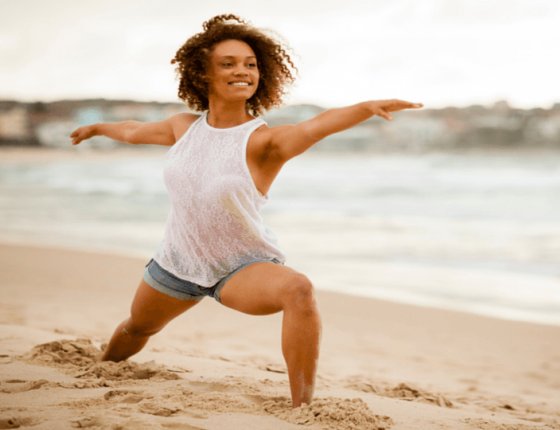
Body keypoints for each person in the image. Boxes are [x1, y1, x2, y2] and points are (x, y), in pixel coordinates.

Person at [69, 13, 422, 407]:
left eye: (251, 65)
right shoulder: (182, 127)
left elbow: (315, 126)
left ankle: (301, 407)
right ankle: (102, 366)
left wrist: (365, 107)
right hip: (177, 262)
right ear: (202, 75)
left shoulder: (263, 143)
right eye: (229, 64)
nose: (243, 71)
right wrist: (97, 127)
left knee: (298, 289)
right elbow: (133, 131)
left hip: (240, 268)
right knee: (136, 329)